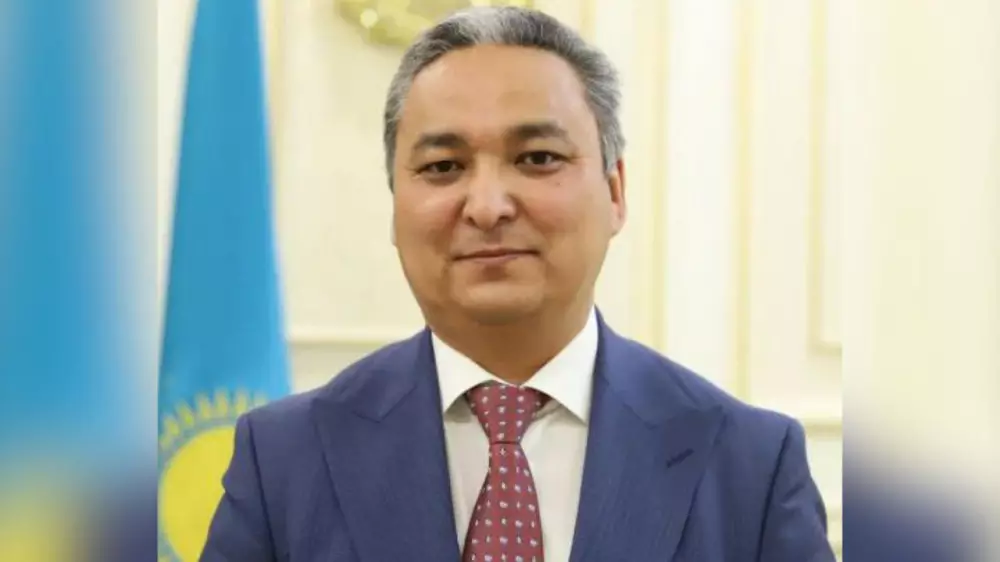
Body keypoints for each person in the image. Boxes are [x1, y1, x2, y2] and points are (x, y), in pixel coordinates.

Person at [201, 6, 835, 561]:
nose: (487, 206)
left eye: (537, 159)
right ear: (395, 207)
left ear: (615, 192)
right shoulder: (284, 460)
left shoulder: (750, 465)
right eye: (443, 166)